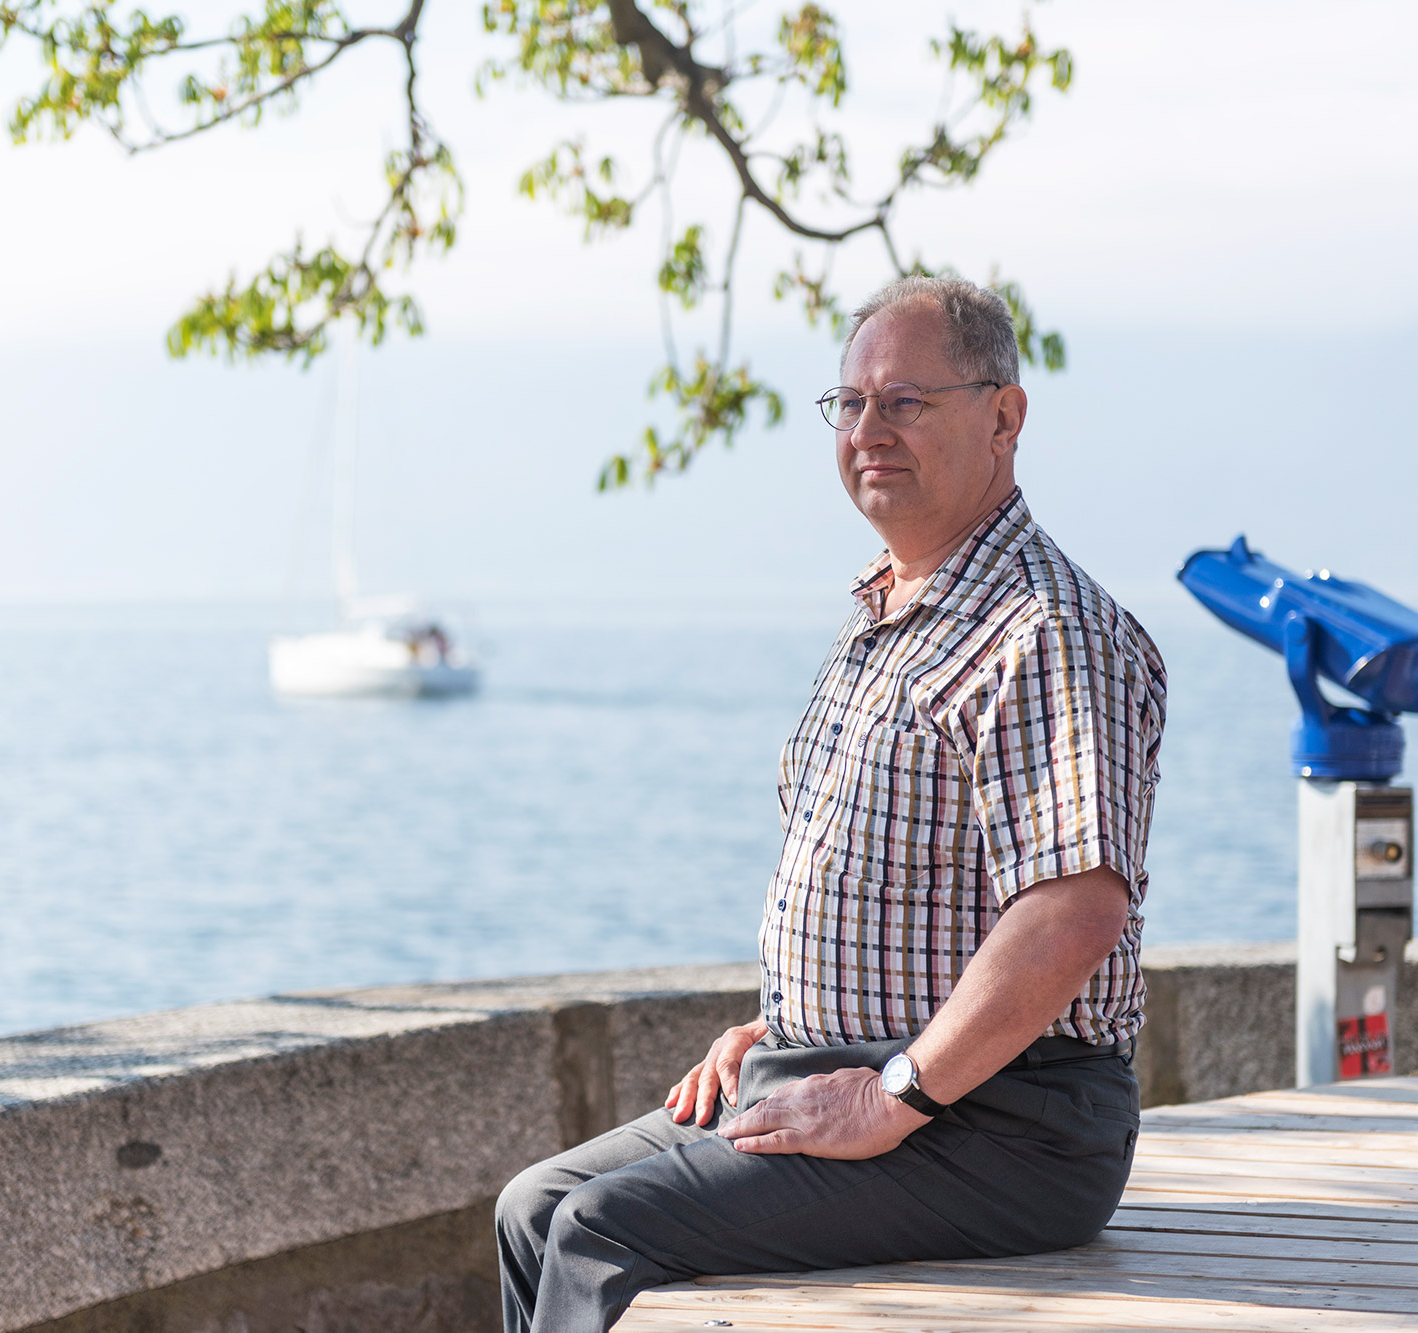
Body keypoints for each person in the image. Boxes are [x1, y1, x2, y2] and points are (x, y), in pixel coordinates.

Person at [495, 275, 1168, 1333]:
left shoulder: (1043, 631)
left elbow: (1071, 911)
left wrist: (887, 1091)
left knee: (599, 1228)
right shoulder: (888, 614)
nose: (867, 430)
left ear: (1004, 417)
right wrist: (789, 1027)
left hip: (1004, 1124)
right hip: (855, 1075)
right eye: (848, 404)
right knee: (533, 1209)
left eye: (904, 401)